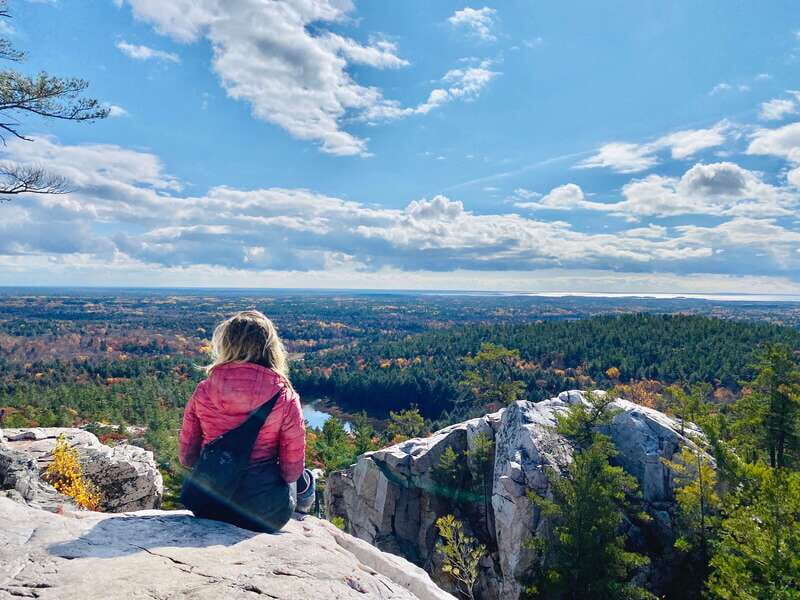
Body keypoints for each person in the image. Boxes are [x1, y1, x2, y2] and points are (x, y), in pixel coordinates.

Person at [178, 310, 315, 532]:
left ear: (226, 344)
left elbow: (187, 457)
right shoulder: (284, 395)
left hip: (209, 505)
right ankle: (304, 517)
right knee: (305, 477)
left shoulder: (204, 390)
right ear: (270, 348)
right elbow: (291, 471)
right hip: (263, 512)